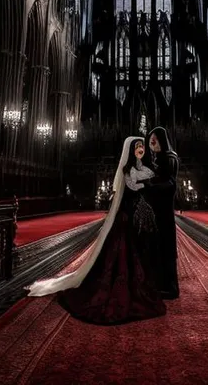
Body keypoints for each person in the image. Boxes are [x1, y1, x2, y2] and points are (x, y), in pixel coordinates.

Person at [26, 136, 166, 325]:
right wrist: (147, 184)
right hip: (126, 216)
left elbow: (149, 178)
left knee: (138, 253)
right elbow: (133, 186)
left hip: (138, 216)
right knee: (122, 252)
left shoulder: (142, 168)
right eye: (137, 146)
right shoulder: (128, 169)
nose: (141, 148)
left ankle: (138, 286)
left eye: (142, 146)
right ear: (131, 150)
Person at [142, 126, 180, 299]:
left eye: (155, 139)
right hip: (158, 209)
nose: (152, 142)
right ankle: (161, 283)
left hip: (164, 210)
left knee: (166, 246)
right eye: (150, 139)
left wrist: (151, 186)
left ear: (162, 140)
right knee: (159, 245)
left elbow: (171, 184)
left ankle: (171, 288)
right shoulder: (159, 157)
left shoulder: (169, 158)